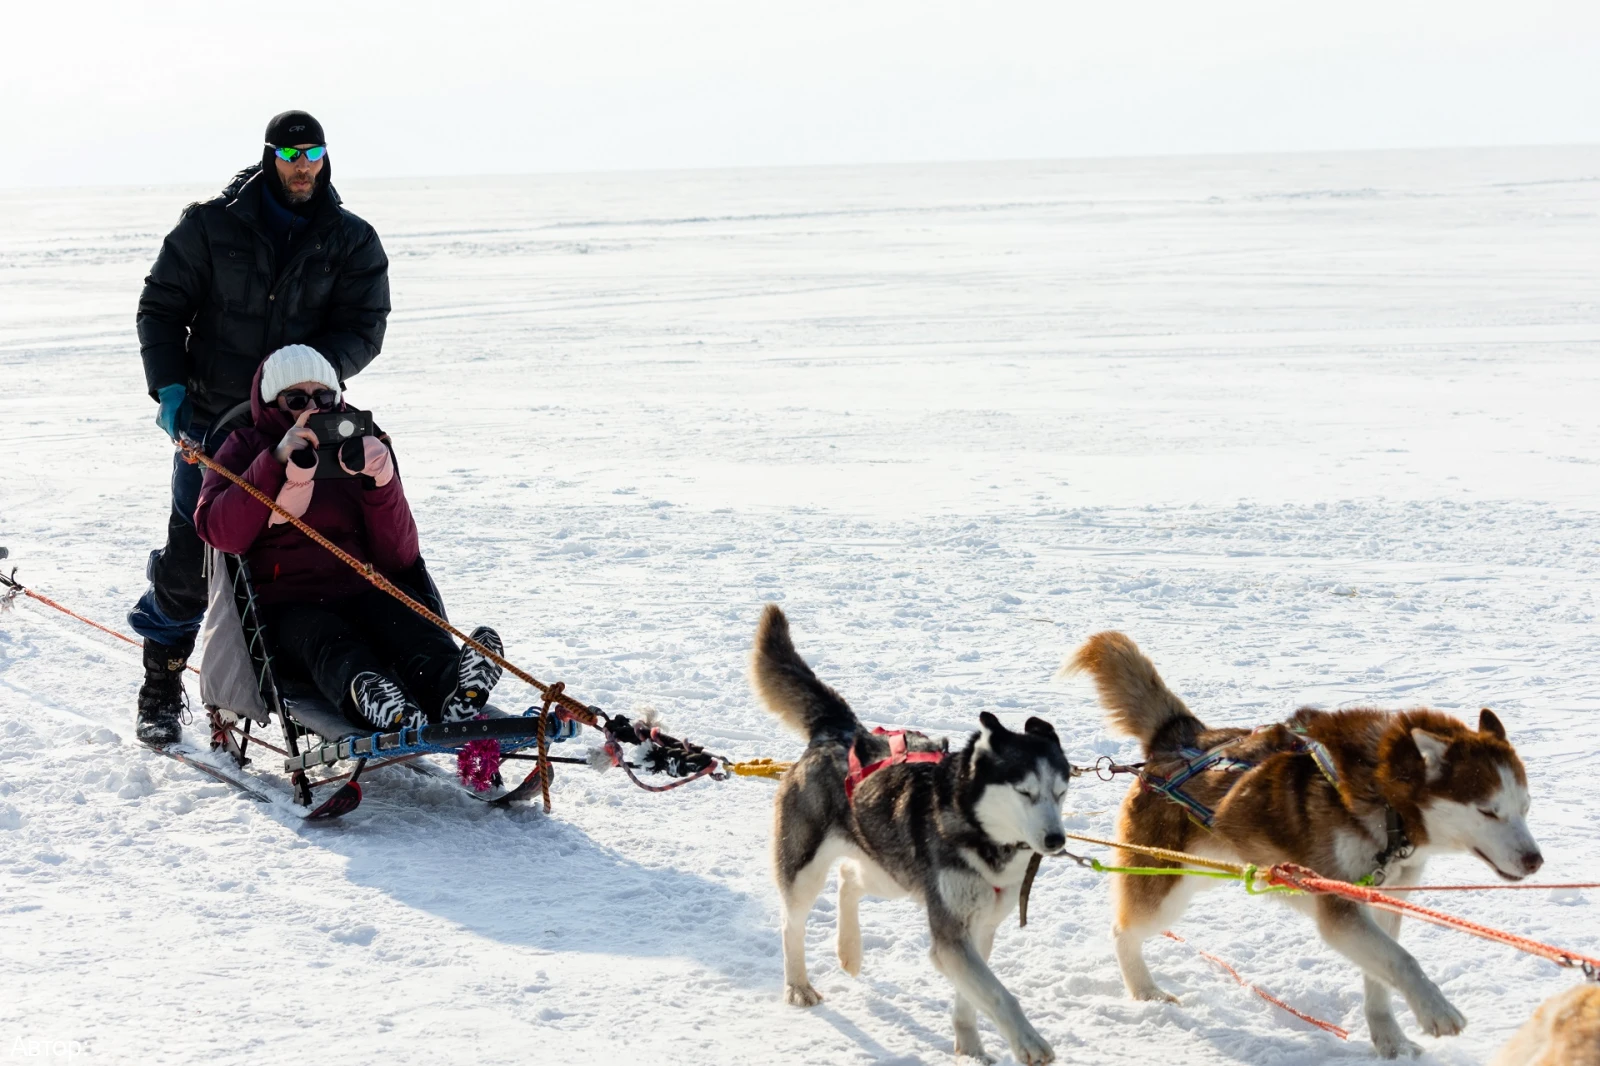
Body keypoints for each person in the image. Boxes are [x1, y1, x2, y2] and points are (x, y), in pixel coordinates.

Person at [131, 109, 391, 745]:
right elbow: (160, 307)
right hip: (213, 423)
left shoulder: (350, 239)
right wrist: (168, 387)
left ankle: (343, 676)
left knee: (315, 554)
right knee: (193, 559)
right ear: (270, 156)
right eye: (291, 155)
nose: (303, 167)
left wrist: (302, 378)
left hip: (302, 422)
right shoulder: (209, 225)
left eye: (314, 155)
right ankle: (161, 680)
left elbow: (365, 327)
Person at [193, 345, 504, 731]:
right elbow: (220, 533)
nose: (313, 408)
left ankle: (452, 690)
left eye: (324, 397)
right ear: (273, 403)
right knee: (328, 640)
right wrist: (274, 461)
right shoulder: (244, 446)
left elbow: (399, 556)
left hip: (361, 588)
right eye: (297, 399)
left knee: (403, 620)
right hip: (286, 605)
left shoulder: (359, 440)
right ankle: (374, 701)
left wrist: (382, 482)